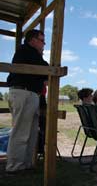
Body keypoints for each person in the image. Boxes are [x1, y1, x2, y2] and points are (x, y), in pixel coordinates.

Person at [6, 29, 49, 173]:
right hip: (23, 93)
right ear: (32, 40)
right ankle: (14, 167)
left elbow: (44, 73)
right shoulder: (27, 51)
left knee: (30, 132)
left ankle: (25, 165)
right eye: (42, 40)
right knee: (21, 132)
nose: (44, 43)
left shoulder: (31, 53)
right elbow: (45, 69)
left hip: (29, 94)